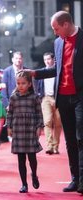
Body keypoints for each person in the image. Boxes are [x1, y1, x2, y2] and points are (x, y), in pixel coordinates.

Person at [26, 11, 83, 193]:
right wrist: (36, 73)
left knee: (81, 138)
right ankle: (75, 178)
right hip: (63, 97)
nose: (55, 32)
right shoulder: (58, 42)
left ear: (66, 24)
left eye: (56, 28)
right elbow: (56, 69)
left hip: (80, 96)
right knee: (71, 142)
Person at [6, 71, 43, 193]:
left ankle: (34, 174)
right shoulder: (13, 98)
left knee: (32, 158)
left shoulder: (35, 97)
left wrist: (39, 127)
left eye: (23, 83)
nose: (20, 85)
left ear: (29, 84)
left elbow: (39, 113)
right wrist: (9, 127)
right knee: (21, 159)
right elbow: (9, 113)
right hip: (18, 130)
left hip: (30, 130)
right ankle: (24, 184)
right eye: (18, 83)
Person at [34, 52, 62, 155]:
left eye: (48, 59)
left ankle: (56, 146)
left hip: (58, 98)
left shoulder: (58, 71)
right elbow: (37, 85)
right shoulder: (42, 72)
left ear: (53, 59)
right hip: (45, 99)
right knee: (47, 122)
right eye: (45, 59)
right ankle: (49, 146)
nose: (47, 61)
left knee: (58, 123)